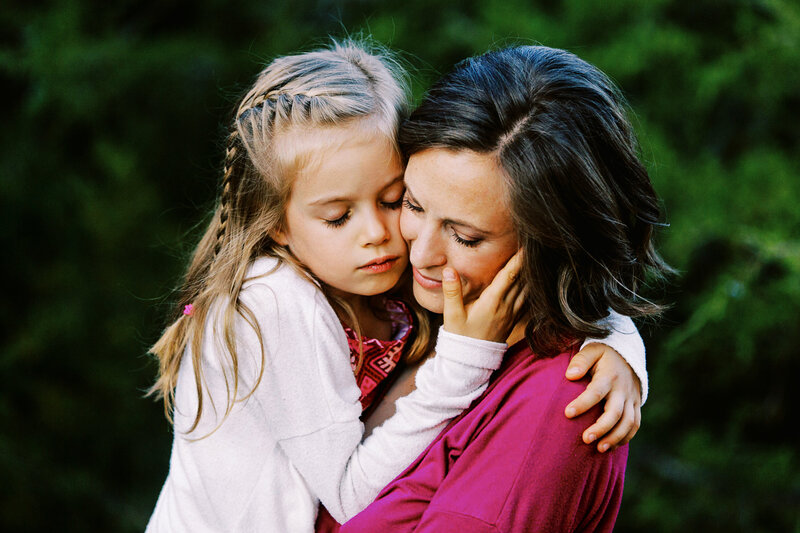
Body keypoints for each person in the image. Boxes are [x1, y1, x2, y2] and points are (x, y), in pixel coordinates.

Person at [146, 40, 647, 533]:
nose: (389, 238)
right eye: (415, 205)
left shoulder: (371, 268)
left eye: (392, 199)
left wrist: (613, 339)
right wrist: (463, 361)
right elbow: (349, 495)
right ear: (275, 221)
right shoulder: (274, 303)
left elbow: (579, 276)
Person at [335, 45, 672, 532]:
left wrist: (612, 334)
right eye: (410, 203)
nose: (420, 253)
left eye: (465, 236)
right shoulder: (393, 299)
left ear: (554, 244)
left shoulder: (560, 407)